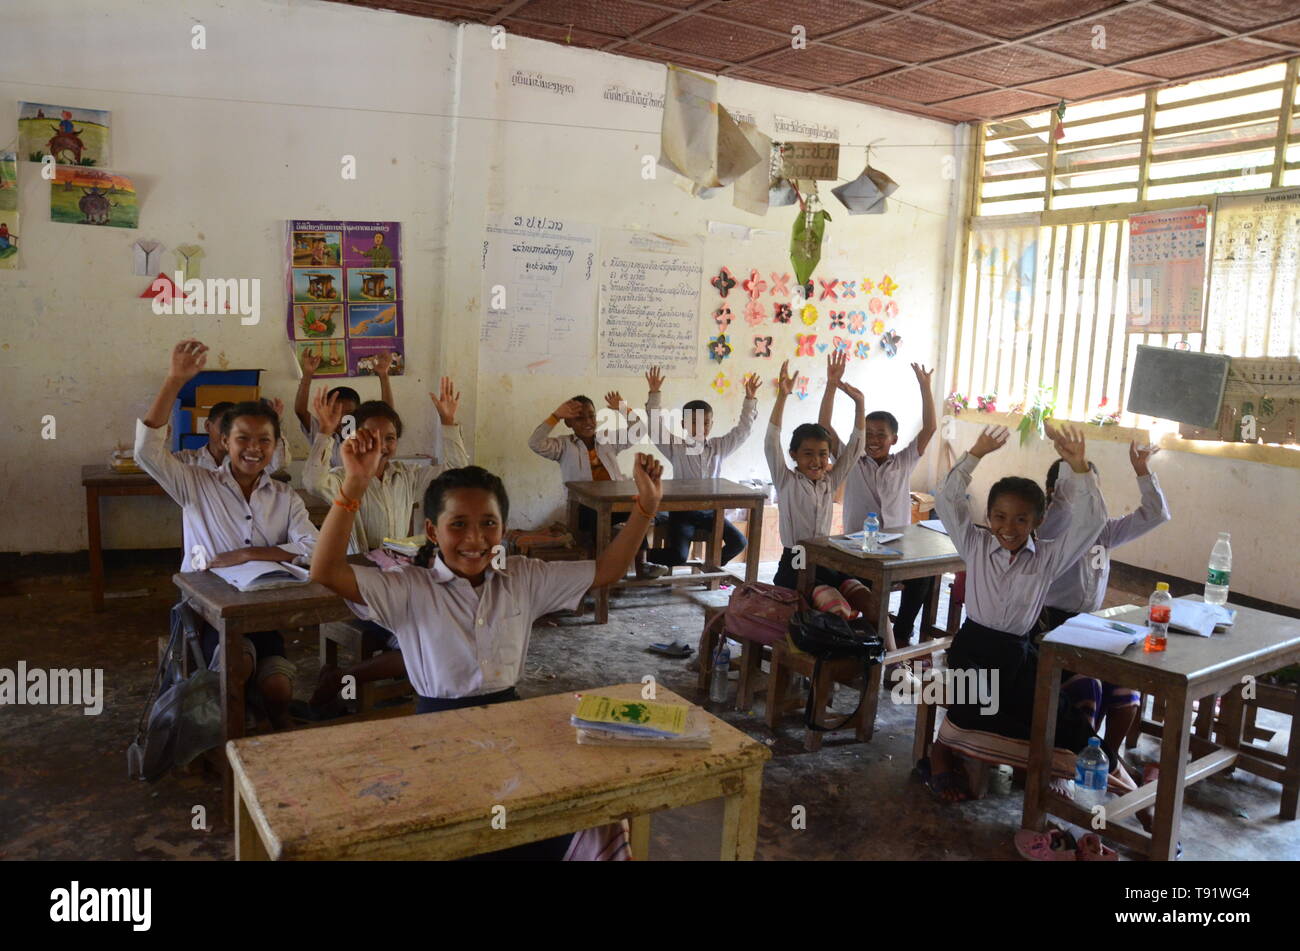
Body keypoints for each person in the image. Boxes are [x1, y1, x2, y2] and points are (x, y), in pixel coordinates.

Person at [309, 432, 664, 859]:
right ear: (431, 530)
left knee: (585, 816)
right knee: (460, 833)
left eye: (488, 524)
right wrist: (354, 488)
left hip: (514, 724)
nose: (474, 539)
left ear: (504, 528)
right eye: (457, 524)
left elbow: (606, 569)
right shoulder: (408, 588)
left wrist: (644, 509)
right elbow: (326, 570)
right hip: (435, 735)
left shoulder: (525, 577)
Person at [927, 424, 1142, 802]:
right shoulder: (974, 543)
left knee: (1061, 719)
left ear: (1037, 522)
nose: (1008, 528)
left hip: (1017, 653)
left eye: (1021, 519)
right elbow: (946, 498)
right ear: (989, 516)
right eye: (1000, 516)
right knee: (973, 706)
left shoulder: (1048, 557)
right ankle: (942, 755)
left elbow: (1092, 523)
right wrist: (975, 452)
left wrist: (1080, 469)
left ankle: (1128, 794)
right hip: (973, 648)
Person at [136, 340, 317, 730]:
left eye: (264, 441)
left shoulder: (284, 496)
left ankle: (264, 723)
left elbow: (313, 546)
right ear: (224, 442)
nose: (253, 449)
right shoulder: (195, 484)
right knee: (240, 665)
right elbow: (147, 452)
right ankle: (230, 738)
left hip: (261, 612)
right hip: (205, 615)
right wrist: (173, 382)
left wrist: (249, 555)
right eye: (243, 440)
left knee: (278, 690)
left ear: (275, 446)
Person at [303, 379, 468, 711]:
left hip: (398, 579)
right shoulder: (340, 478)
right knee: (426, 644)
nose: (383, 445)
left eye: (390, 438)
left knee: (442, 637)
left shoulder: (405, 474)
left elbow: (457, 472)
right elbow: (310, 481)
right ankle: (353, 680)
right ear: (355, 438)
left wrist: (449, 424)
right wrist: (323, 433)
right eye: (372, 436)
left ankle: (345, 677)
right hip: (356, 584)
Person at [1041, 436, 1171, 760]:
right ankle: (1069, 760)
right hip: (1050, 625)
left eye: (1093, 489)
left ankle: (1107, 761)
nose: (1088, 498)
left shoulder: (1105, 531)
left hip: (1090, 626)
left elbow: (1156, 514)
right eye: (1080, 489)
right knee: (1088, 689)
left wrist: (1142, 470)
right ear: (1054, 495)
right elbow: (1064, 506)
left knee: (1126, 691)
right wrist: (1075, 468)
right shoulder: (1049, 529)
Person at [820, 358, 937, 646]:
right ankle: (872, 633)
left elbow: (930, 428)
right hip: (859, 548)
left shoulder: (903, 462)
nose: (873, 440)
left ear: (893, 439)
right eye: (868, 434)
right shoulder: (853, 461)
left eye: (880, 435)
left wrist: (925, 387)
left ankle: (902, 633)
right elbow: (824, 427)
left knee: (925, 577)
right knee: (860, 587)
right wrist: (832, 386)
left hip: (898, 547)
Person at [767, 355, 882, 626]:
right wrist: (782, 397)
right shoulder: (786, 481)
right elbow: (771, 440)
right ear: (794, 455)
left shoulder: (829, 482)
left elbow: (855, 446)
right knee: (836, 607)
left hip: (827, 560)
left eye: (822, 454)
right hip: (795, 564)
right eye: (808, 454)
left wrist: (860, 404)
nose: (817, 461)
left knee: (871, 600)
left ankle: (885, 660)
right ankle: (834, 654)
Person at [529, 394, 664, 579]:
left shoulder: (606, 439)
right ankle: (598, 574)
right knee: (595, 524)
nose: (588, 422)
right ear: (568, 423)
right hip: (584, 509)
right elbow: (535, 443)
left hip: (614, 503)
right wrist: (555, 416)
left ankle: (642, 567)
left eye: (591, 416)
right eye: (579, 418)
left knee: (640, 511)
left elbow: (639, 430)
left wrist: (624, 409)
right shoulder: (563, 445)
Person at [637, 364, 758, 570]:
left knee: (740, 542)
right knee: (678, 556)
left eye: (706, 422)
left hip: (711, 513)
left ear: (711, 424)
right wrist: (655, 394)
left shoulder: (719, 447)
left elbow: (743, 431)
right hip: (682, 512)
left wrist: (749, 401)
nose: (701, 427)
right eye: (694, 422)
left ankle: (709, 567)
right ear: (684, 424)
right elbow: (656, 428)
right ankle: (640, 556)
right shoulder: (676, 446)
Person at [294, 348, 394, 468]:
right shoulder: (320, 432)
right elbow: (300, 411)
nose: (342, 419)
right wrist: (307, 374)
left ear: (358, 416)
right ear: (326, 412)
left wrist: (383, 376)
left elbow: (388, 416)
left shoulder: (365, 435)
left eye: (349, 413)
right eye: (336, 412)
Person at [174, 399, 288, 472]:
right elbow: (158, 463)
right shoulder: (188, 460)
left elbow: (277, 464)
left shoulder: (247, 461)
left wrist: (273, 425)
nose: (228, 435)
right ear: (208, 426)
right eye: (223, 426)